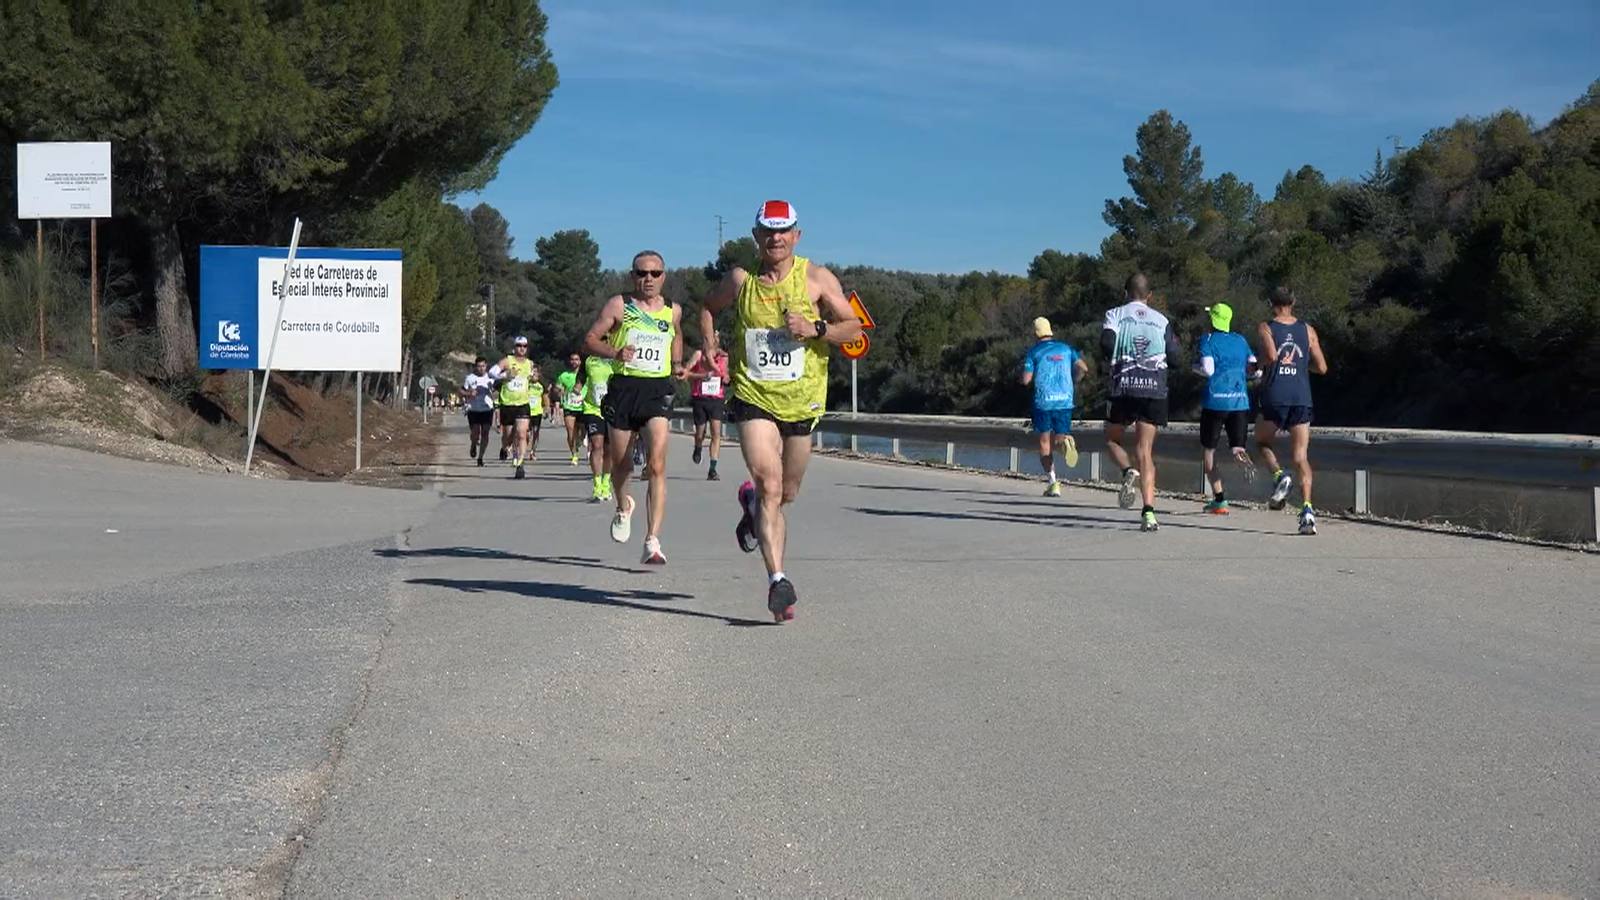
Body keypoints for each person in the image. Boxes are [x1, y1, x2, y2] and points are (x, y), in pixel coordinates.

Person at [699, 200, 863, 622]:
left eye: (783, 230)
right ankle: (778, 582)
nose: (776, 238)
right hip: (753, 395)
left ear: (797, 235)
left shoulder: (816, 279)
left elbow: (855, 328)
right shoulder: (740, 280)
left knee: (786, 493)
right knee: (771, 485)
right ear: (756, 237)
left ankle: (752, 507)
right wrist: (709, 342)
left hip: (802, 400)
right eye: (768, 231)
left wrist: (816, 328)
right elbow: (706, 307)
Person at [582, 250, 684, 564]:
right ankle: (623, 506)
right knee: (622, 463)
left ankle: (652, 540)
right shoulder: (620, 305)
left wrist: (677, 363)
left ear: (664, 276)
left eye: (655, 273)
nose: (648, 279)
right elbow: (590, 339)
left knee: (656, 465)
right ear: (633, 276)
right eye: (642, 273)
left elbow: (676, 334)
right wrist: (614, 352)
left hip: (656, 390)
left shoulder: (673, 310)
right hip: (624, 389)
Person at [1101, 272, 1179, 532]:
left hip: (1122, 388)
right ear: (1150, 296)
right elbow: (1176, 357)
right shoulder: (1162, 320)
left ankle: (1126, 472)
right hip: (1154, 390)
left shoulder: (1114, 314)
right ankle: (1149, 513)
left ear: (1126, 293)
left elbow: (1106, 344)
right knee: (1145, 451)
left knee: (1112, 439)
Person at [1256, 286, 1329, 535]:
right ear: (1294, 302)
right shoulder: (1307, 330)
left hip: (1275, 395)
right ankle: (1307, 511)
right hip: (1301, 396)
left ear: (1271, 303)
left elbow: (1271, 355)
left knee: (1262, 442)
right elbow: (1322, 367)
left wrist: (1257, 364)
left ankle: (1279, 476)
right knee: (1301, 457)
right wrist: (1300, 365)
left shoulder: (1266, 327)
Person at [1194, 302, 1257, 514]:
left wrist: (1196, 369)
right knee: (1237, 446)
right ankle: (1241, 456)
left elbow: (1208, 369)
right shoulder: (1241, 340)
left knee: (1209, 451)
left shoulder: (1208, 340)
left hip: (1215, 402)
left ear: (1212, 320)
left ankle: (1219, 500)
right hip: (1239, 401)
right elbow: (1255, 370)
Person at [1021, 317, 1087, 497]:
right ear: (1050, 331)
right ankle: (1065, 441)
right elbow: (1084, 368)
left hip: (1043, 401)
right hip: (1065, 399)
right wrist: (1074, 381)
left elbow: (1026, 380)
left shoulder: (1033, 352)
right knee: (1059, 438)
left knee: (1044, 442)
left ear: (1035, 333)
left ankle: (1053, 482)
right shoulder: (1066, 348)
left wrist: (1023, 378)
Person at [684, 343, 730, 480]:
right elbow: (685, 373)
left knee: (716, 433)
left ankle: (712, 469)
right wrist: (701, 376)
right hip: (700, 398)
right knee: (700, 433)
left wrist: (726, 378)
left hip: (716, 399)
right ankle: (698, 447)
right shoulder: (699, 355)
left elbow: (726, 374)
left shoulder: (723, 357)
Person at [492, 336, 536, 479]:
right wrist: (505, 375)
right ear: (514, 347)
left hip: (523, 403)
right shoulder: (507, 361)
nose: (522, 348)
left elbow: (534, 377)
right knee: (508, 436)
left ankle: (520, 463)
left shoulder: (530, 364)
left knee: (522, 433)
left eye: (524, 346)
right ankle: (505, 448)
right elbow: (492, 372)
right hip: (507, 404)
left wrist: (534, 377)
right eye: (519, 345)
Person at [462, 356, 497, 467]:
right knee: (475, 433)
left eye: (483, 366)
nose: (481, 368)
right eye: (479, 366)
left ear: (486, 366)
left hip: (487, 409)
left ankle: (480, 457)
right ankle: (473, 444)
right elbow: (461, 390)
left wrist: (492, 392)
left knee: (485, 433)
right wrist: (468, 394)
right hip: (474, 409)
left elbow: (496, 394)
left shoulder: (491, 378)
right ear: (475, 367)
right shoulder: (470, 378)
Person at [554, 352, 586, 464]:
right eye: (572, 359)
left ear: (580, 361)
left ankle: (580, 441)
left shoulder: (585, 375)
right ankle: (574, 454)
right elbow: (556, 388)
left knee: (583, 431)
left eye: (576, 359)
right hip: (569, 406)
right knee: (570, 431)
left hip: (583, 406)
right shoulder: (564, 375)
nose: (574, 362)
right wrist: (559, 391)